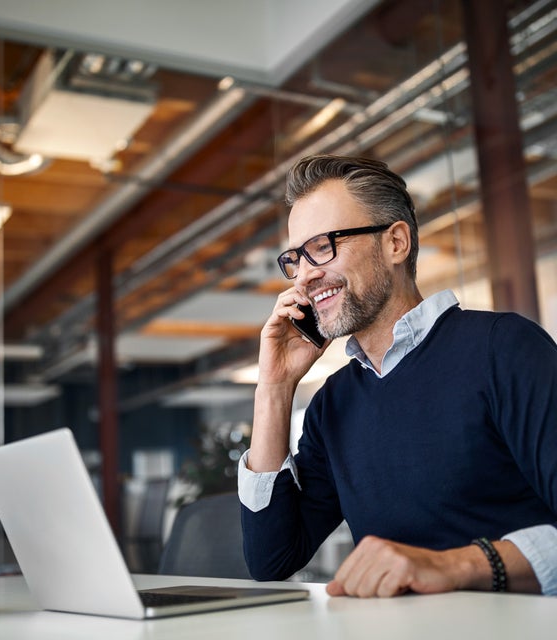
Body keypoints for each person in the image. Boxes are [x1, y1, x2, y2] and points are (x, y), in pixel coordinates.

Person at [238, 154, 557, 597]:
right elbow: (271, 560)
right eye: (295, 258)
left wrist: (456, 566)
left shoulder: (504, 348)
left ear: (396, 243)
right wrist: (273, 389)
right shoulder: (334, 403)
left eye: (323, 246)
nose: (306, 276)